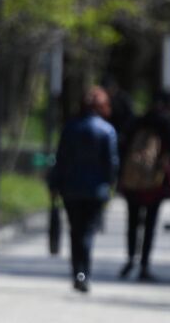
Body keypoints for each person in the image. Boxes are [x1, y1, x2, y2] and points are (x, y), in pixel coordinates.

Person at [49, 86, 119, 292]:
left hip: (70, 190)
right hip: (95, 191)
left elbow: (59, 160)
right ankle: (84, 273)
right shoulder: (107, 130)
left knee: (75, 231)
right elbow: (112, 163)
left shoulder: (70, 128)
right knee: (88, 232)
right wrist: (110, 185)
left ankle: (76, 271)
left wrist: (55, 185)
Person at [117, 90, 170, 281]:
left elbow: (122, 148)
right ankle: (145, 264)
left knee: (132, 221)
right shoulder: (166, 124)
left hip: (133, 180)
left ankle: (130, 258)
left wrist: (119, 175)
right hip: (155, 181)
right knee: (149, 223)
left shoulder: (137, 122)